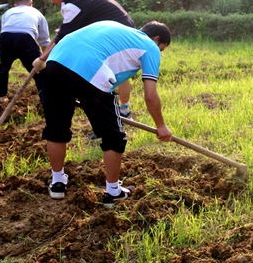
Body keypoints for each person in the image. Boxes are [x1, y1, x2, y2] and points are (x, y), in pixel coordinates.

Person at [40, 20, 173, 208]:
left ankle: (57, 183)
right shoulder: (149, 46)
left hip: (55, 62)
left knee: (56, 128)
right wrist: (161, 125)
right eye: (162, 49)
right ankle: (112, 193)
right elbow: (150, 95)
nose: (159, 53)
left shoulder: (113, 27)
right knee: (114, 137)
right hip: (90, 68)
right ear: (157, 39)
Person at [34, 0, 135, 118]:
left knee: (104, 73)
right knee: (116, 71)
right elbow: (65, 31)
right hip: (122, 30)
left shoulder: (72, 5)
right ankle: (122, 110)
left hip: (117, 34)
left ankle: (115, 114)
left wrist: (42, 59)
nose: (51, 0)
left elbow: (62, 38)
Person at [0, 0, 51, 104]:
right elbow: (44, 41)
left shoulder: (8, 12)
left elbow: (5, 30)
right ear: (31, 4)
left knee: (3, 67)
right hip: (25, 39)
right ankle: (47, 101)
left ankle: (0, 97)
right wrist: (45, 60)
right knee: (39, 72)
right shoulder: (36, 12)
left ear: (15, 5)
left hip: (5, 38)